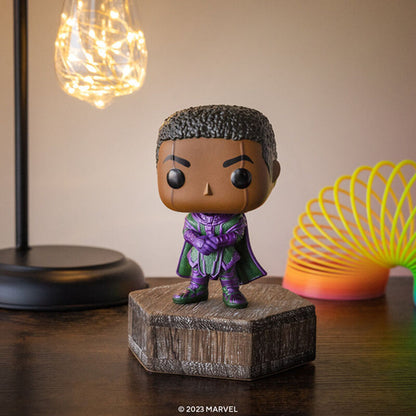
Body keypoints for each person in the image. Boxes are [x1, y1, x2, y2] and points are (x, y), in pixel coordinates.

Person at [156, 105, 280, 308]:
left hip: (224, 252)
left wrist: (218, 240)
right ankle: (197, 288)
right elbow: (187, 232)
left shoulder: (234, 220)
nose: (207, 190)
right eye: (176, 177)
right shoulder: (194, 218)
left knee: (228, 270)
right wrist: (197, 241)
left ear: (273, 174)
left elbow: (236, 235)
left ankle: (231, 290)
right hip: (200, 251)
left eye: (240, 176)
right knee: (197, 269)